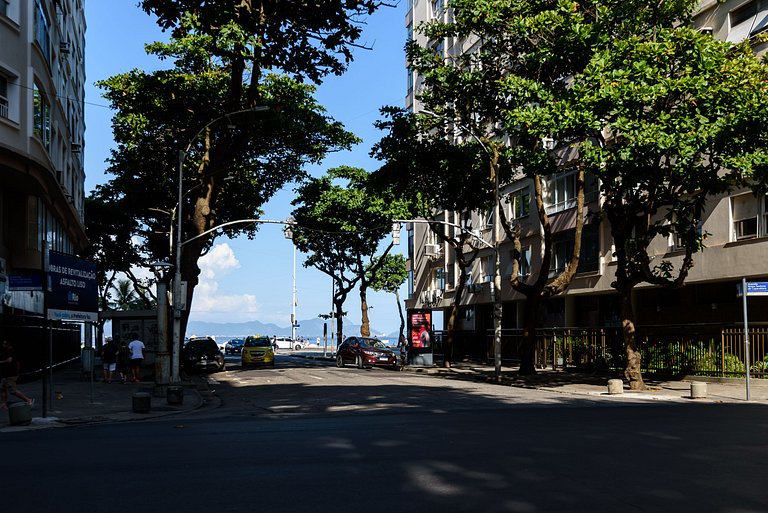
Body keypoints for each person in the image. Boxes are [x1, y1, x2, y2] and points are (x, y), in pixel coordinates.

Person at [0, 339, 34, 409]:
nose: (2, 345)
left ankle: (28, 400)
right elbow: (18, 362)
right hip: (6, 373)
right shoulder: (7, 351)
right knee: (3, 389)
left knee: (13, 390)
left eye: (4, 344)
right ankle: (3, 404)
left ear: (8, 344)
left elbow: (10, 360)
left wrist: (0, 362)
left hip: (10, 374)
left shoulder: (11, 351)